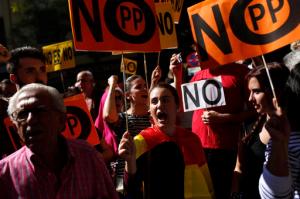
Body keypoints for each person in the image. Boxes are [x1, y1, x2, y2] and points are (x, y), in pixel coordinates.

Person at [0, 83, 119, 199]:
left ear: (62, 120)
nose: (30, 120)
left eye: (40, 111)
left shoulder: (88, 156)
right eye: (22, 114)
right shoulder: (5, 172)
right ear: (15, 128)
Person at [171, 55, 255, 199]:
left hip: (226, 148)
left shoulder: (241, 72)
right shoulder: (198, 74)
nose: (197, 53)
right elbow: (180, 106)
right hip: (197, 146)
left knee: (222, 191)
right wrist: (177, 76)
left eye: (200, 49)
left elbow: (255, 111)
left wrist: (224, 118)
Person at [119, 83, 214, 198]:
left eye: (165, 100)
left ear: (177, 106)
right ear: (149, 110)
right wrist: (129, 161)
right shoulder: (140, 141)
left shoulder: (192, 139)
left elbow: (206, 177)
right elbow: (131, 189)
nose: (159, 105)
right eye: (154, 101)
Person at [231, 62, 290, 199]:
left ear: (274, 90)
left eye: (257, 91)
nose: (250, 98)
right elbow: (238, 168)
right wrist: (234, 193)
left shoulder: (291, 131)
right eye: (249, 92)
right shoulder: (250, 124)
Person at [259, 63, 300, 198]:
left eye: (257, 91)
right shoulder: (290, 140)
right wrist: (279, 143)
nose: (250, 98)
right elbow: (274, 195)